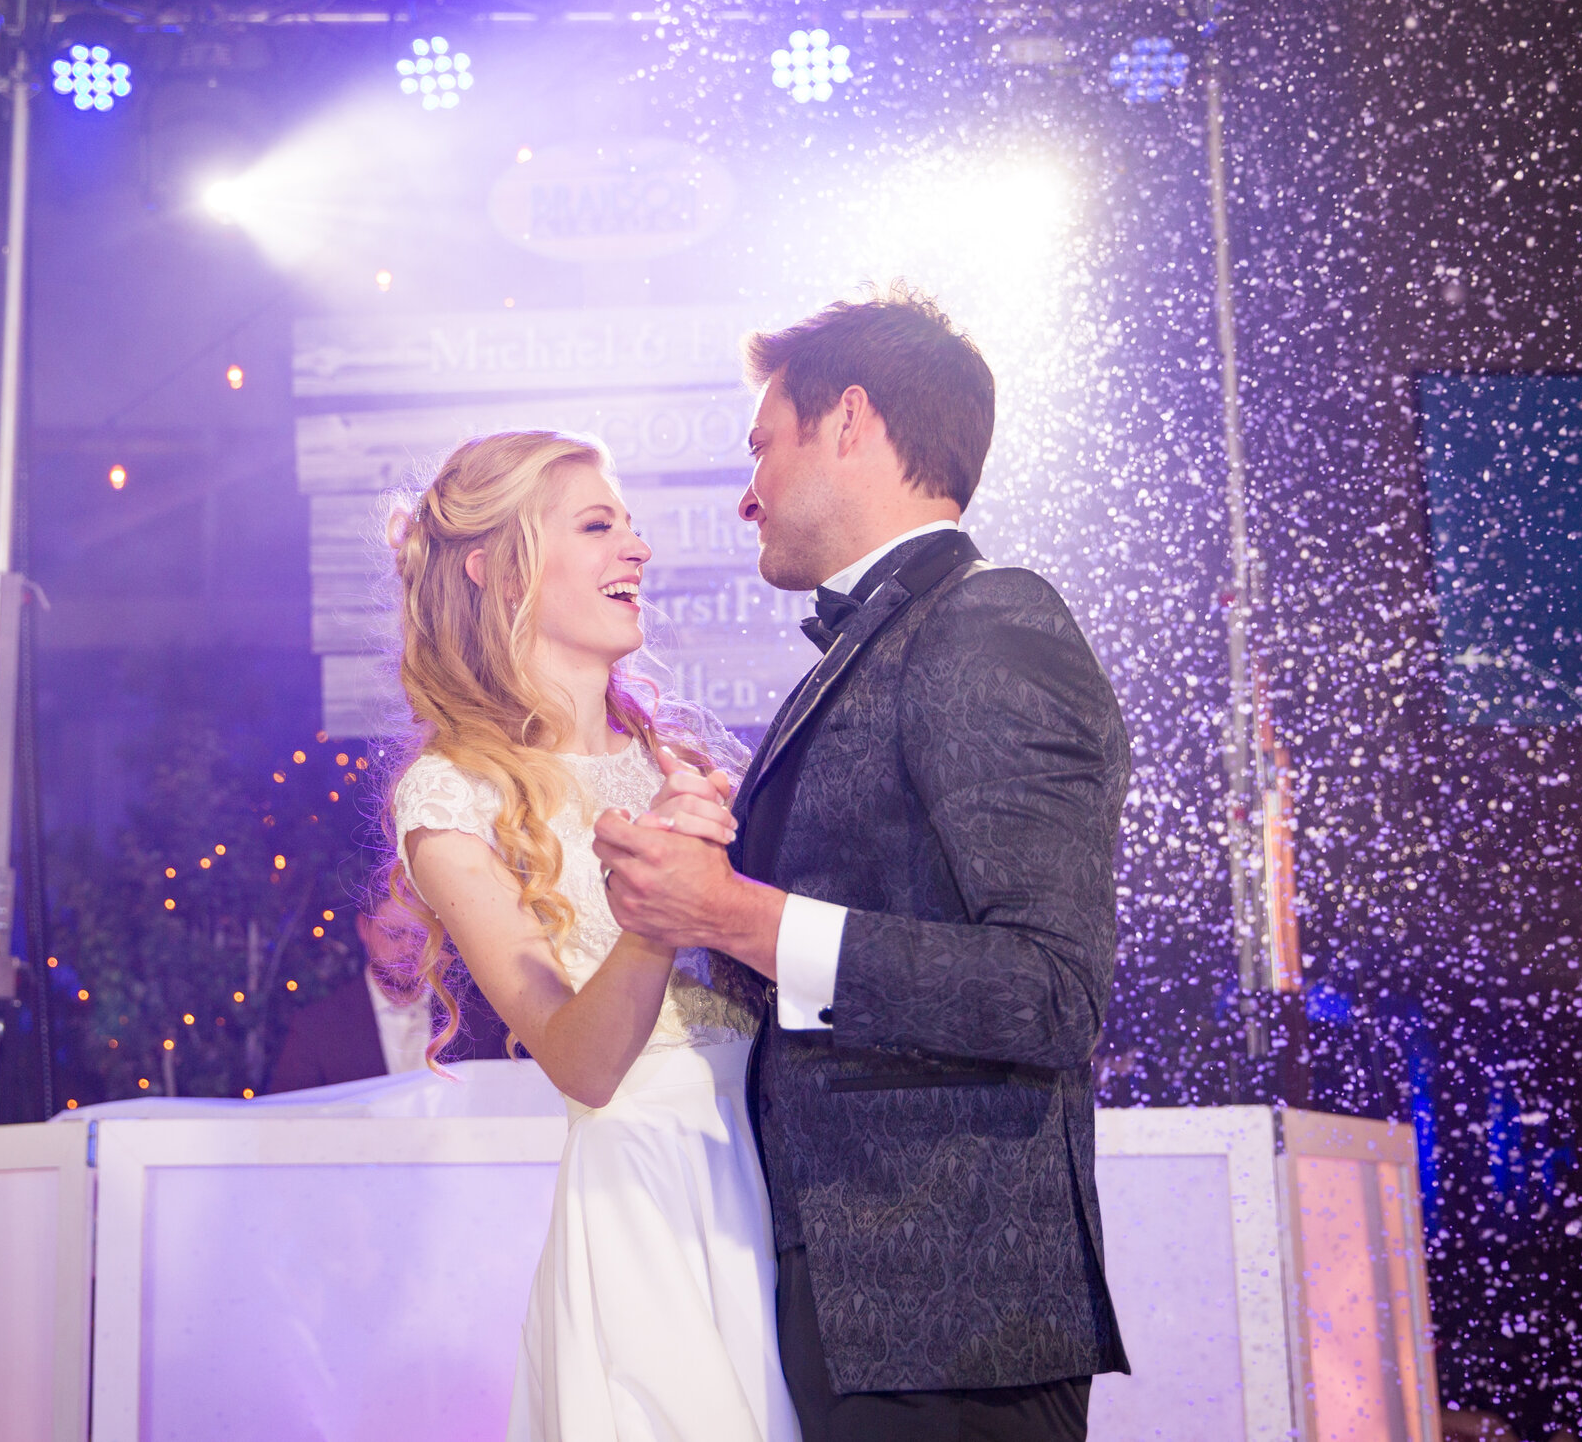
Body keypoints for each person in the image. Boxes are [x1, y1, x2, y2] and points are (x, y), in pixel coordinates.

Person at [594, 286, 1133, 1442]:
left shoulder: (990, 621)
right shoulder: (889, 638)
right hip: (847, 1296)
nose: (746, 494)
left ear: (849, 423)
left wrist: (737, 912)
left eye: (761, 446)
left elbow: (1048, 993)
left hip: (945, 1310)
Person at [381, 429, 797, 1442]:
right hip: (645, 1207)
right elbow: (580, 1061)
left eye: (633, 524)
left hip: (779, 1182)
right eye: (599, 522)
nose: (638, 548)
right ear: (495, 565)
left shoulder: (685, 763)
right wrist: (660, 906)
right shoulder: (451, 799)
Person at [264, 885, 509, 1093]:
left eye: (421, 935)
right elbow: (289, 1125)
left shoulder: (481, 1019)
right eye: (394, 934)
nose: (408, 949)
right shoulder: (316, 1029)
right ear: (363, 928)